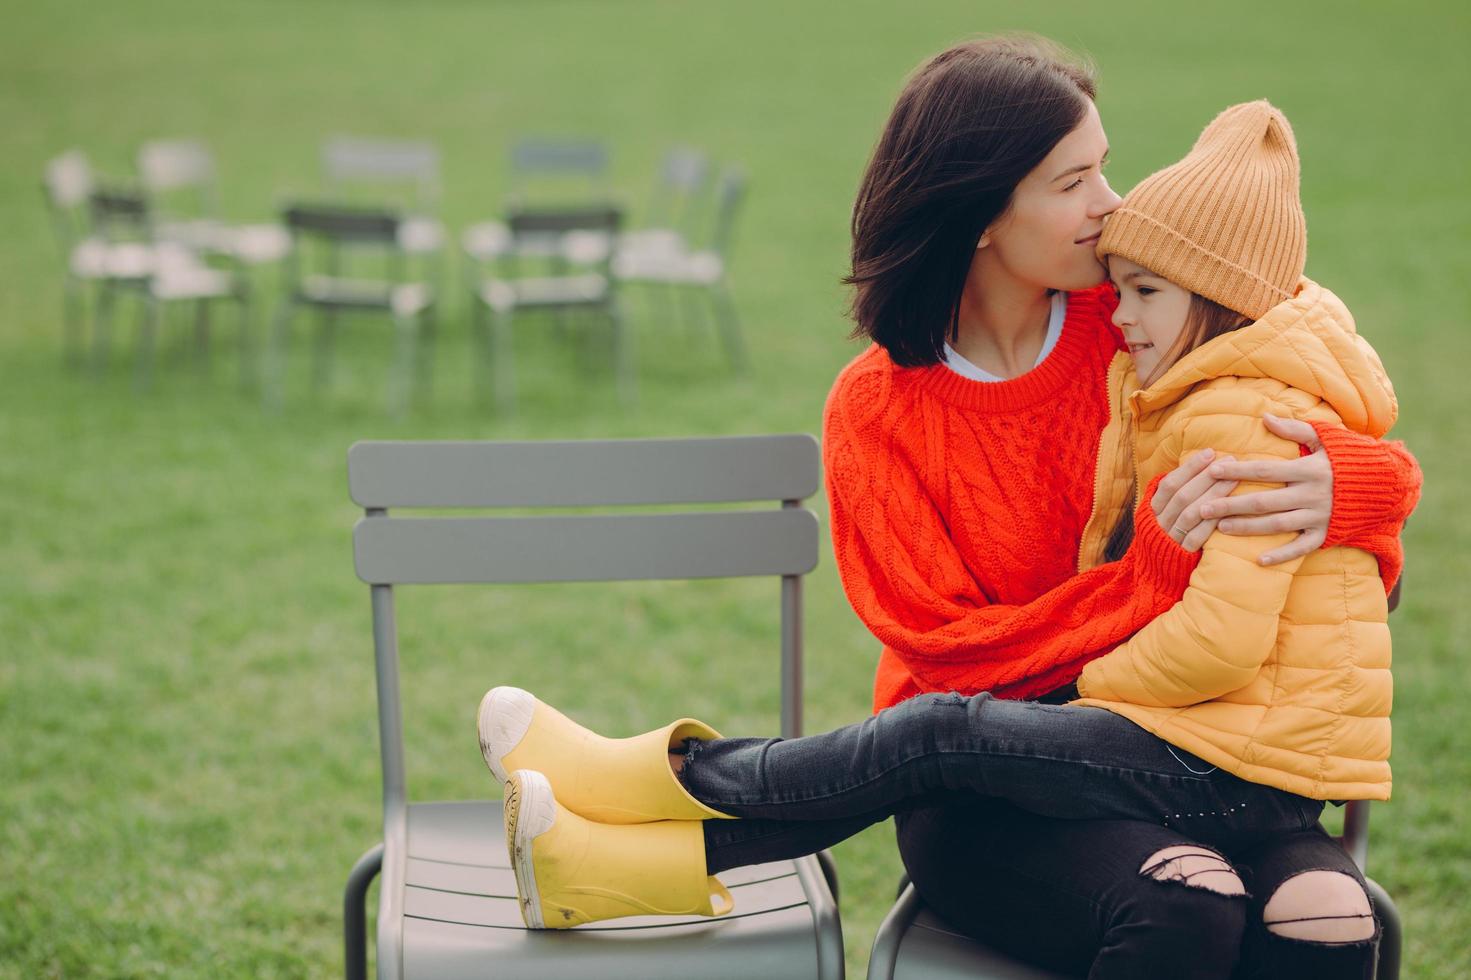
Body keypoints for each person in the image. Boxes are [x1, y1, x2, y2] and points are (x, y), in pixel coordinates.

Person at [480, 39, 1421, 979]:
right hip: (981, 788)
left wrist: (1363, 485)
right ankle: (634, 813)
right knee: (1182, 908)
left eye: (1106, 167)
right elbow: (952, 656)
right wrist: (1147, 580)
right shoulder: (878, 409)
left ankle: (635, 822)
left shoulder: (1148, 325)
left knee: (1324, 918)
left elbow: (1303, 396)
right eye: (1074, 181)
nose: (1113, 203)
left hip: (1196, 743)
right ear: (980, 214)